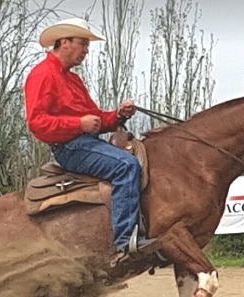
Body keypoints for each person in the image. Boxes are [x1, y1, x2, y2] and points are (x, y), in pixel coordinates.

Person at [24, 17, 156, 265]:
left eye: (87, 46)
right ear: (64, 42)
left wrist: (117, 115)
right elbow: (37, 123)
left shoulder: (73, 80)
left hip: (87, 142)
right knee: (126, 165)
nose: (86, 51)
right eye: (83, 44)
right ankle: (126, 242)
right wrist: (78, 124)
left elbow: (95, 119)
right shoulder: (42, 75)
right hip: (70, 147)